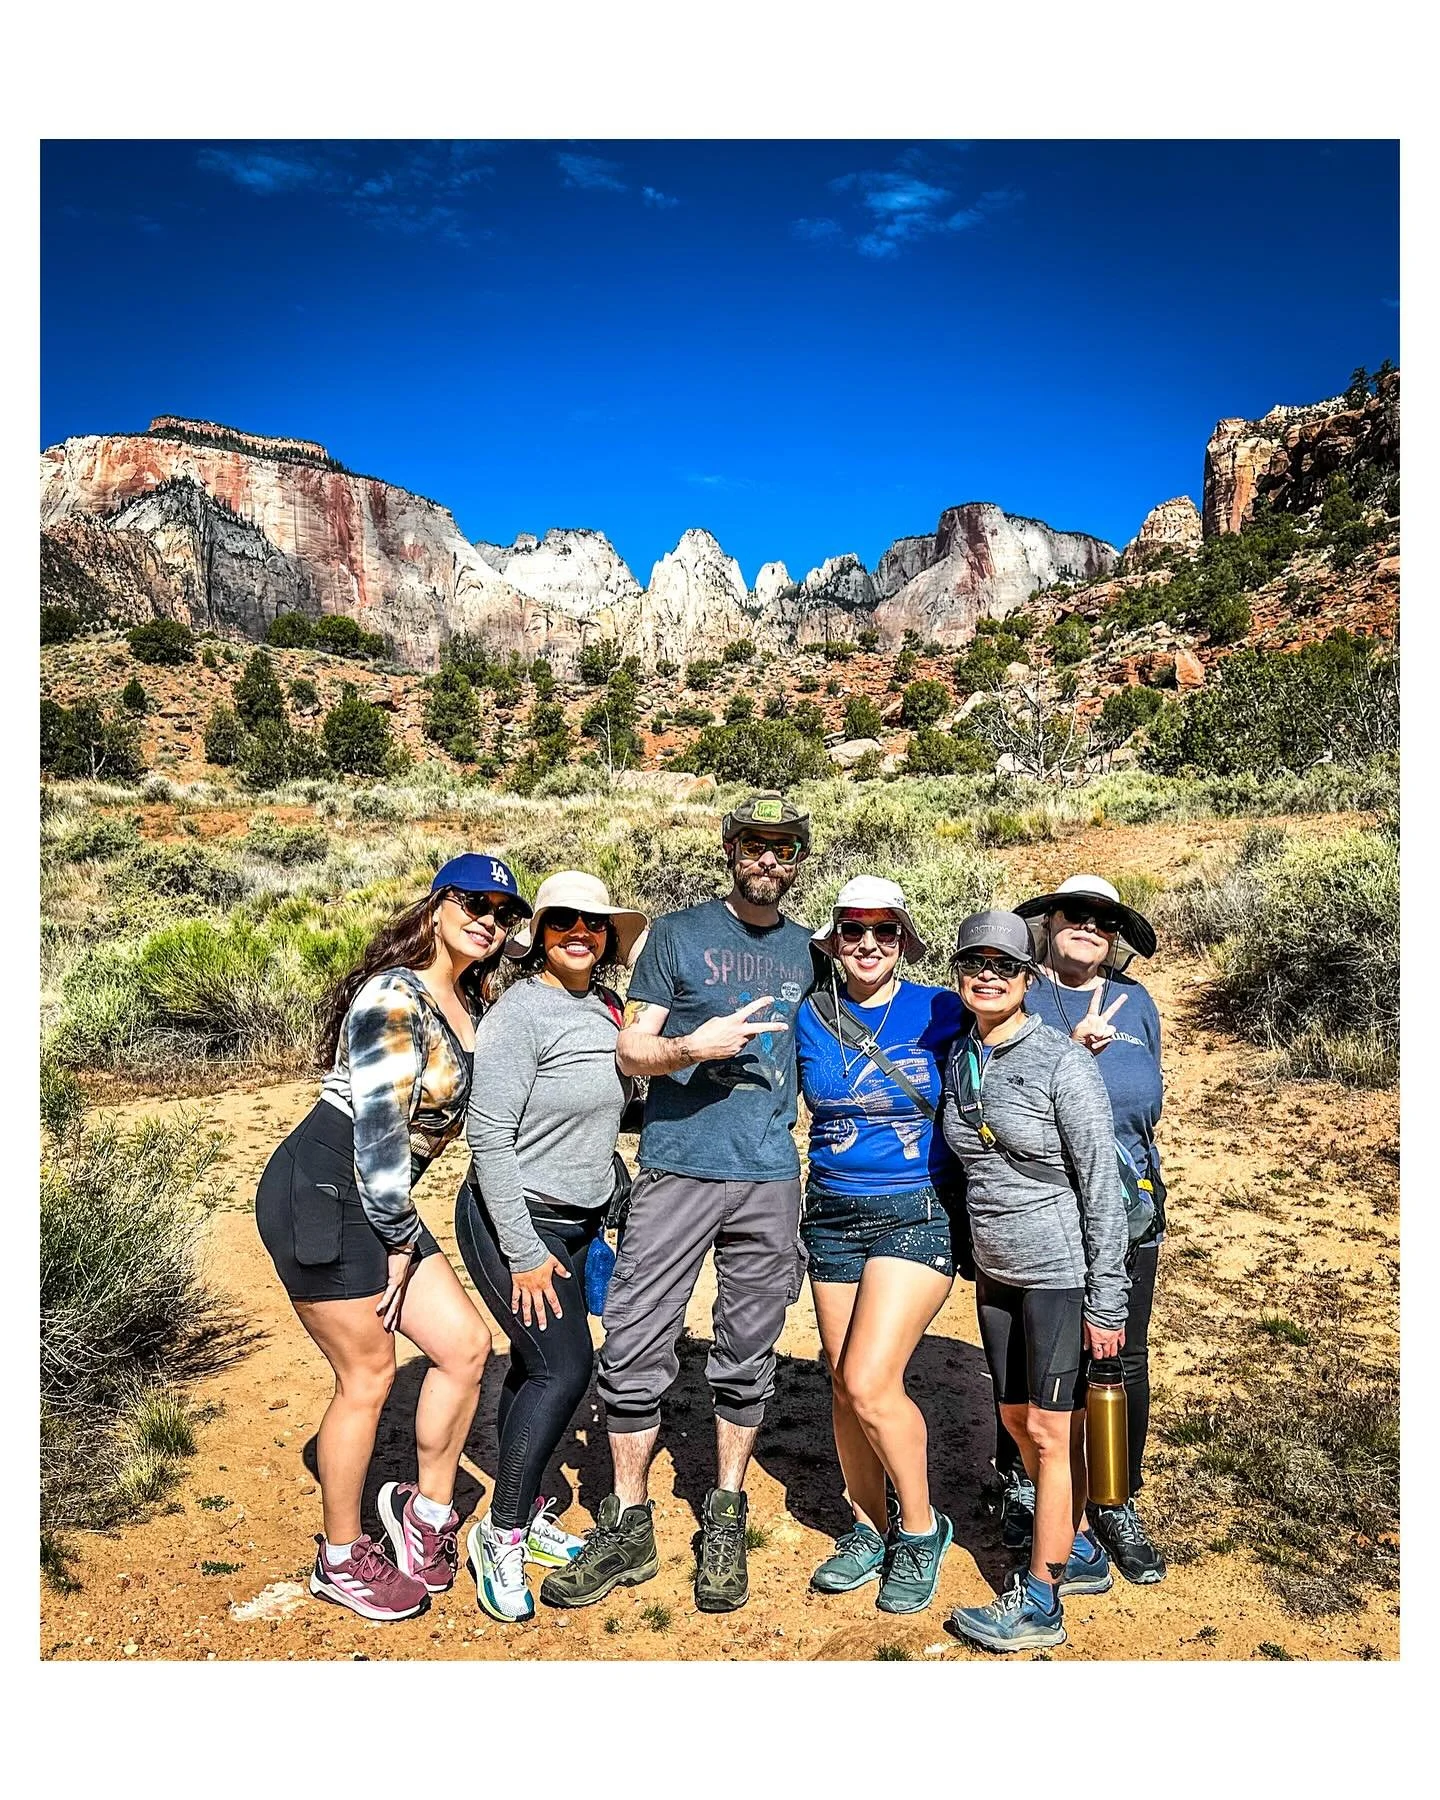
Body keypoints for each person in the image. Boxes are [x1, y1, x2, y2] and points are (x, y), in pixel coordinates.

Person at [540, 791, 815, 1616]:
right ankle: (629, 1519)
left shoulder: (810, 951)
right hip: (678, 1168)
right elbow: (631, 1049)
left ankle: (725, 1512)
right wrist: (693, 1047)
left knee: (749, 1345)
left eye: (783, 848)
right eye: (755, 844)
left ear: (798, 860)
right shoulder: (678, 934)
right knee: (634, 1339)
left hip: (770, 1175)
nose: (767, 859)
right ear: (729, 849)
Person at [255, 855, 529, 1622]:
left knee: (465, 1348)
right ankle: (340, 1559)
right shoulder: (394, 995)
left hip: (378, 1198)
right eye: (473, 902)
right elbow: (378, 1133)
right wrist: (400, 1240)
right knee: (369, 1375)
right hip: (325, 1185)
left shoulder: (468, 1003)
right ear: (436, 906)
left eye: (503, 912)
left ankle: (424, 1516)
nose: (488, 920)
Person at [455, 871, 648, 1622]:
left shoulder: (606, 1008)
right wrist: (525, 1251)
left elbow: (611, 1108)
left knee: (534, 1365)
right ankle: (499, 1534)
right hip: (515, 1221)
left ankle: (524, 1502)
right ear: (539, 933)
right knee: (565, 1369)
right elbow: (488, 1136)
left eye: (594, 923)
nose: (580, 933)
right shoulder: (520, 1013)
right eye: (563, 920)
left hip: (574, 1224)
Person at [940, 910, 1129, 1653]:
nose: (988, 976)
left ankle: (1041, 1600)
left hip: (1057, 1272)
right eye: (974, 964)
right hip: (996, 1273)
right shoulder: (961, 1056)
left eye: (1005, 966)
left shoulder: (1061, 1064)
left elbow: (1101, 1185)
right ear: (959, 974)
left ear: (1027, 977)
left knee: (1052, 1433)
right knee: (1017, 1420)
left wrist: (1106, 1299)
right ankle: (1076, 1547)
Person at [795, 876, 968, 1613]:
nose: (869, 943)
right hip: (831, 1211)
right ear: (834, 941)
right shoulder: (809, 1015)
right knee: (842, 1382)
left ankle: (921, 1528)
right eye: (854, 930)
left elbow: (1013, 1039)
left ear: (904, 940)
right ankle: (869, 1525)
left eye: (885, 930)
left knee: (870, 1379)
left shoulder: (942, 1007)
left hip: (916, 1209)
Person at [1010, 873, 1167, 1583]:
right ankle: (1030, 1485)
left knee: (1121, 1357)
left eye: (1105, 921)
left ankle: (1114, 1496)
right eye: (1075, 914)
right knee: (1035, 1356)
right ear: (1048, 921)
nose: (1089, 928)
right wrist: (1067, 1054)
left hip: (1129, 1205)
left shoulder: (1138, 1002)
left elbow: (1147, 1104)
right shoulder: (1019, 993)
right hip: (1043, 1208)